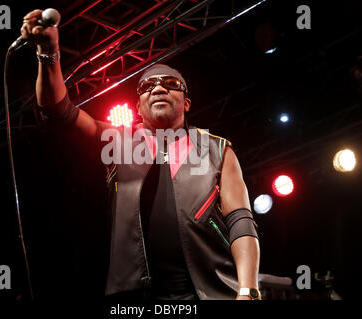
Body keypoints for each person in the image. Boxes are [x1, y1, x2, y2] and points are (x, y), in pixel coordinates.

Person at [21, 9, 260, 300]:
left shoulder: (218, 149)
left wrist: (247, 290)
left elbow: (241, 221)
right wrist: (49, 53)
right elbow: (59, 109)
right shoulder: (117, 140)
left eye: (171, 84)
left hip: (209, 292)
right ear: (138, 107)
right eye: (148, 85)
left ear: (186, 103)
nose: (159, 87)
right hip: (136, 296)